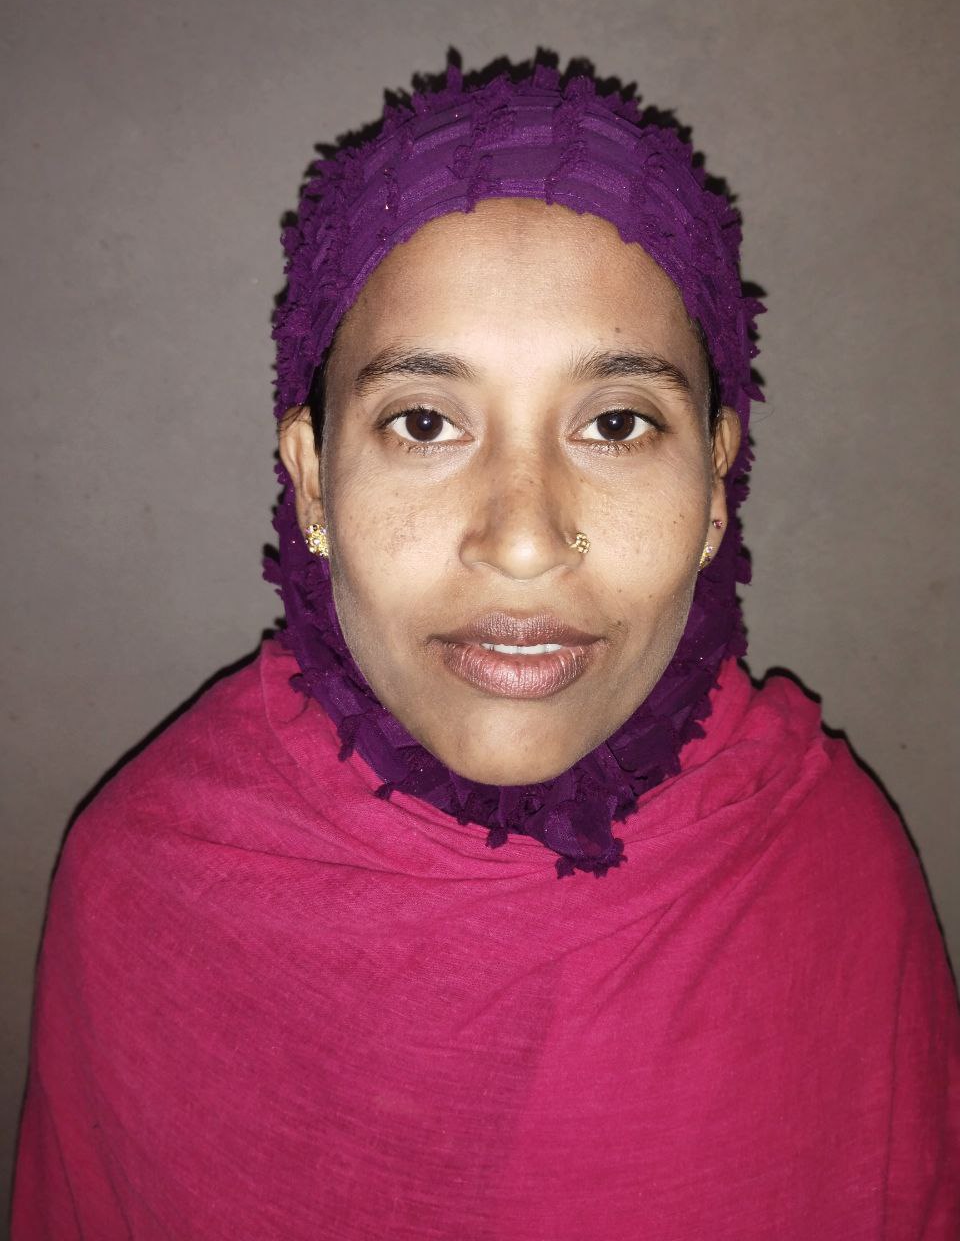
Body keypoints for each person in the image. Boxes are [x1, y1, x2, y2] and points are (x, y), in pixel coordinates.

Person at [13, 62, 959, 1240]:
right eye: (423, 422)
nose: (521, 541)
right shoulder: (144, 885)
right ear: (312, 479)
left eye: (617, 423)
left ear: (718, 482)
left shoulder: (831, 874)